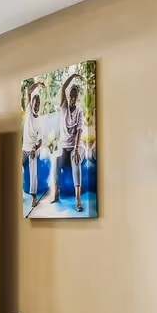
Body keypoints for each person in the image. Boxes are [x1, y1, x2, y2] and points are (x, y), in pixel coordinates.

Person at [59, 72, 86, 213]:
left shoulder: (79, 112)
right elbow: (63, 87)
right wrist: (74, 75)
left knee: (75, 160)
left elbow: (79, 131)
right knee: (57, 160)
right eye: (71, 95)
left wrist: (75, 149)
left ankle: (78, 199)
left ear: (78, 98)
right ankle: (55, 194)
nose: (73, 98)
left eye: (75, 96)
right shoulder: (64, 107)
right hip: (65, 146)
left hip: (78, 146)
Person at [22, 86, 44, 216]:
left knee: (33, 171)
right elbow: (29, 91)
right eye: (35, 102)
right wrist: (38, 84)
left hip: (34, 149)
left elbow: (40, 140)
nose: (37, 105)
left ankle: (33, 198)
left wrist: (35, 148)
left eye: (38, 103)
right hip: (24, 149)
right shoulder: (29, 113)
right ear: (32, 103)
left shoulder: (39, 120)